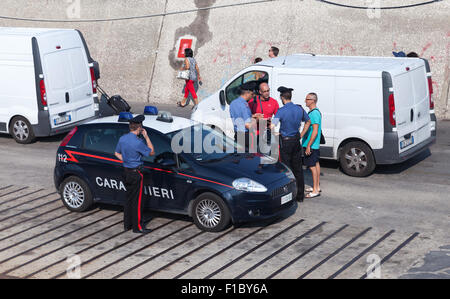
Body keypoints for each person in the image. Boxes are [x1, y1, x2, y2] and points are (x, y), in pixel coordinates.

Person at [115, 115, 155, 234]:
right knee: (137, 201)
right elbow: (151, 152)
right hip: (136, 173)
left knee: (128, 199)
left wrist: (127, 160)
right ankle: (138, 227)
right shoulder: (138, 142)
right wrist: (146, 137)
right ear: (139, 128)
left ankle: (127, 224)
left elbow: (116, 153)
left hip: (126, 172)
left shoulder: (122, 139)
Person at [271, 87, 311, 202]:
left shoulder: (281, 110)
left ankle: (289, 196)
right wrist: (301, 134)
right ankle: (300, 196)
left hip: (286, 142)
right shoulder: (299, 109)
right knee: (298, 169)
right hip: (296, 141)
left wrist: (275, 132)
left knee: (287, 170)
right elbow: (308, 121)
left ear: (282, 98)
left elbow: (272, 125)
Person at [248, 82, 279, 150]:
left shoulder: (274, 102)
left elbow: (278, 117)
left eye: (268, 91)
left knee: (266, 156)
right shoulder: (253, 101)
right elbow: (247, 117)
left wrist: (272, 124)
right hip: (255, 134)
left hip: (267, 134)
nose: (267, 93)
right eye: (264, 91)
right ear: (260, 92)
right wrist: (256, 118)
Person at [303, 93, 322, 199]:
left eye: (307, 99)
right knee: (316, 163)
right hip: (313, 144)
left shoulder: (314, 114)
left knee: (312, 166)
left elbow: (314, 131)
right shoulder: (314, 112)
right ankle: (316, 187)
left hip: (311, 144)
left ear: (312, 101)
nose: (305, 101)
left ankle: (315, 190)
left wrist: (309, 145)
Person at [229, 82, 257, 152]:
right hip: (245, 137)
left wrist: (253, 116)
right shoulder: (244, 105)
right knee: (247, 159)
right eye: (251, 94)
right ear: (247, 93)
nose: (252, 96)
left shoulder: (233, 103)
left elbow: (239, 116)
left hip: (237, 135)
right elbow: (247, 125)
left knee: (239, 157)